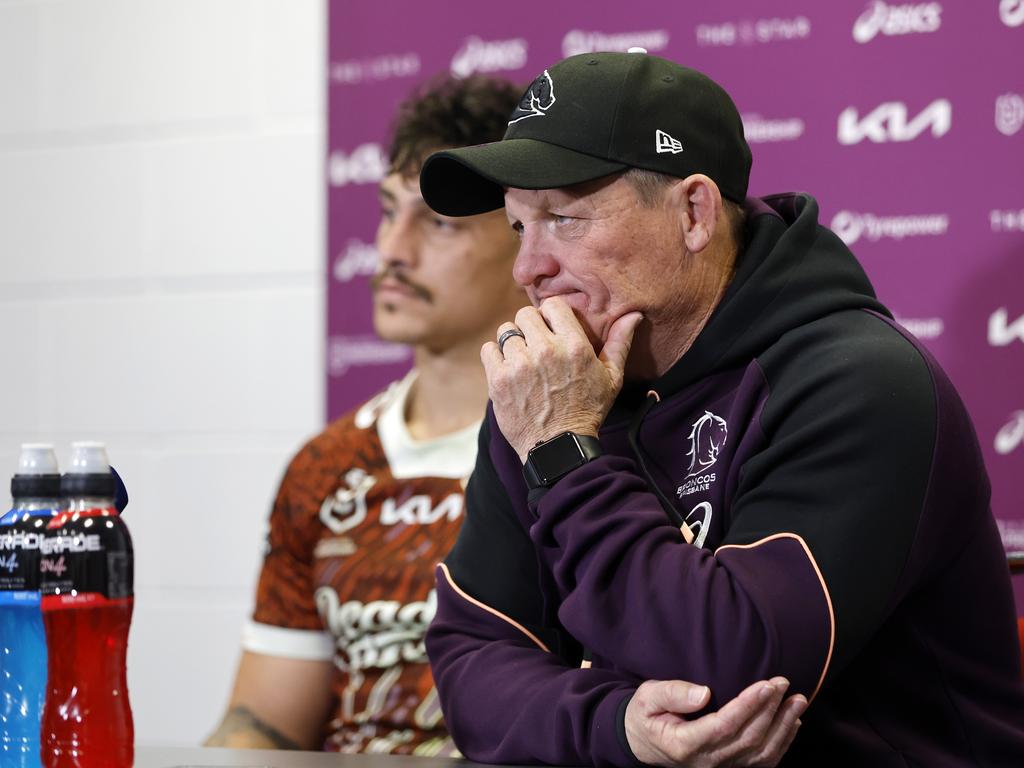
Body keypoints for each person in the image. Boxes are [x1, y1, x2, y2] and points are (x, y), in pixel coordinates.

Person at [418, 51, 1024, 767]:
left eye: (564, 218)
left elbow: (734, 672)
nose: (528, 269)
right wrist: (616, 729)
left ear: (694, 212)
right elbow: (472, 657)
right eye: (520, 226)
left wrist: (562, 453)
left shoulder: (859, 381)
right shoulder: (552, 387)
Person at [204, 73, 800, 760]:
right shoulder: (327, 465)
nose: (392, 252)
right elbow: (268, 721)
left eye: (437, 222)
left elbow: (707, 677)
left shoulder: (615, 424)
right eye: (386, 212)